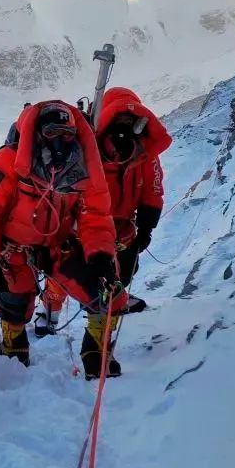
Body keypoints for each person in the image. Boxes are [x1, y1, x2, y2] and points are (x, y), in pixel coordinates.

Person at [0, 100, 122, 368]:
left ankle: (96, 353)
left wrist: (99, 256)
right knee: (13, 301)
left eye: (67, 135)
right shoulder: (8, 163)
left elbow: (95, 216)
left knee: (105, 292)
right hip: (14, 249)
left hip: (57, 245)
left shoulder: (84, 169)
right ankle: (14, 351)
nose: (60, 141)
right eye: (52, 133)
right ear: (37, 134)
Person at [80, 87, 173, 377]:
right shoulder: (137, 149)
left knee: (112, 285)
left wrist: (145, 226)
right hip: (103, 231)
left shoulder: (137, 153)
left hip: (110, 230)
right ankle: (96, 350)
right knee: (107, 285)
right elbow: (153, 191)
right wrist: (145, 226)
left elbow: (152, 191)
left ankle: (96, 348)